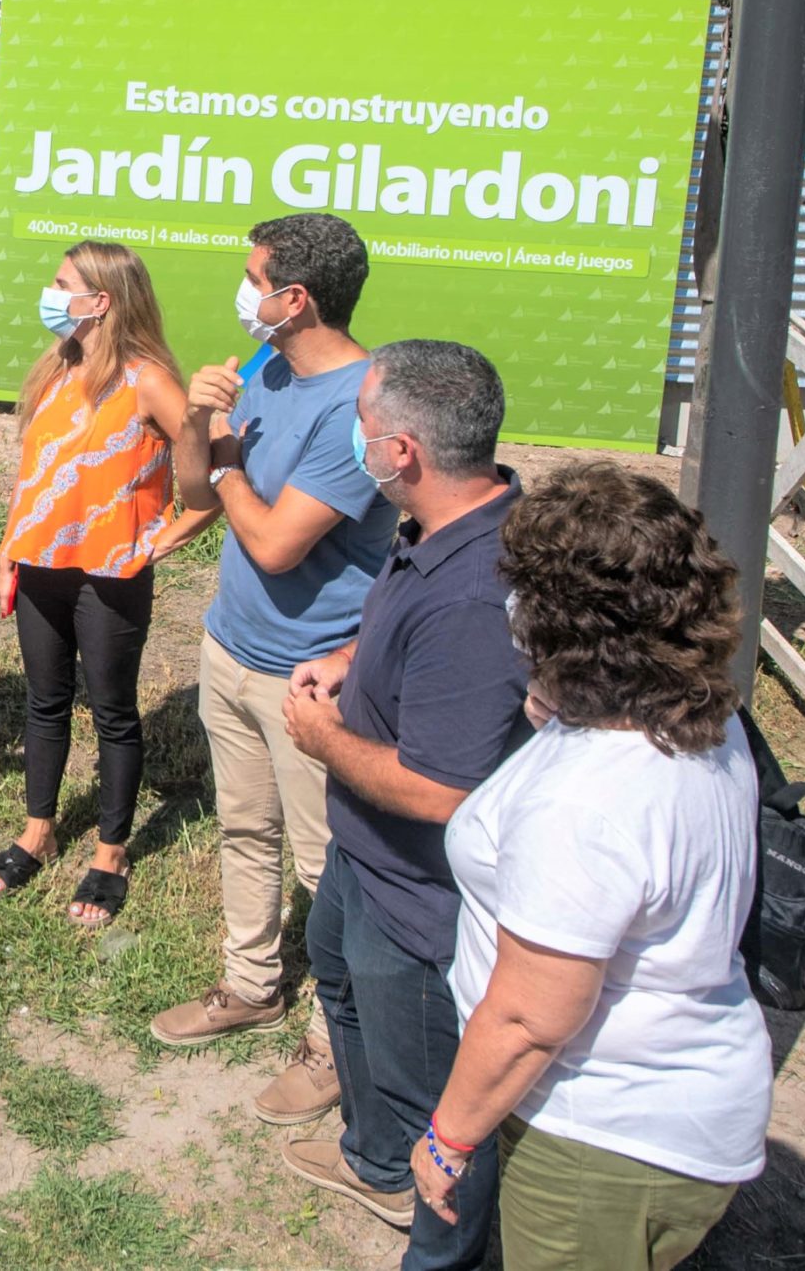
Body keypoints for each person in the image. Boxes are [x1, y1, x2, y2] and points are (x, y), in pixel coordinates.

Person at [408, 462, 769, 1271]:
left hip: (601, 1134)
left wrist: (448, 1136)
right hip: (671, 1098)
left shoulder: (585, 806)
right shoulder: (692, 712)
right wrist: (560, 708)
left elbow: (530, 1018)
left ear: (555, 625)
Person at [275, 340, 528, 1269]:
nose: (357, 438)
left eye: (365, 425)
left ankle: (438, 1245)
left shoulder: (475, 593)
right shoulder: (436, 520)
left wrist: (325, 740)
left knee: (439, 1106)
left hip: (418, 895)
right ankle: (374, 1160)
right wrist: (349, 665)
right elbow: (404, 645)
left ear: (405, 452)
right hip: (360, 855)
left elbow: (441, 788)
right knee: (335, 977)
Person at [153, 213, 398, 1131]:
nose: (243, 290)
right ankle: (250, 984)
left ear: (295, 298)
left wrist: (219, 464)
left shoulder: (360, 407)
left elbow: (277, 541)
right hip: (231, 649)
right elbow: (194, 489)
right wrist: (196, 420)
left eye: (253, 278)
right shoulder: (268, 369)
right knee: (243, 829)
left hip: (311, 681)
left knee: (327, 866)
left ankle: (340, 1041)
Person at [0, 241, 214, 927]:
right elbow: (33, 477)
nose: (50, 294)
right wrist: (8, 549)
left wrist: (176, 529)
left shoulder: (147, 380)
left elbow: (210, 467)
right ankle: (38, 830)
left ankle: (110, 853)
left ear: (100, 300)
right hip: (40, 564)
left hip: (111, 574)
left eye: (62, 284)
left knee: (112, 711)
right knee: (44, 701)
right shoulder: (57, 367)